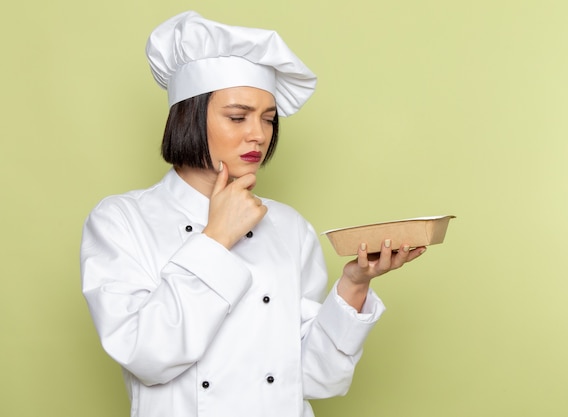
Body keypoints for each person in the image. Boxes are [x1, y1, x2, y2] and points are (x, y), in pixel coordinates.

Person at [80, 10, 426, 417]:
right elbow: (147, 355)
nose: (258, 134)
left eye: (268, 119)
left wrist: (353, 284)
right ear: (188, 118)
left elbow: (316, 379)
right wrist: (216, 238)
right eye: (237, 117)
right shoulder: (121, 221)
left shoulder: (290, 227)